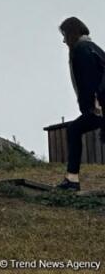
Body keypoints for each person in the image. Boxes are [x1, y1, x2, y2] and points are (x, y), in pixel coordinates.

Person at [56, 16, 105, 191]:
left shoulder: (81, 49)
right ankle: (72, 179)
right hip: (98, 104)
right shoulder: (93, 48)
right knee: (75, 130)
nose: (63, 40)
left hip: (98, 105)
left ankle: (72, 179)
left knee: (74, 130)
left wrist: (96, 104)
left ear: (71, 33)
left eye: (64, 34)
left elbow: (89, 79)